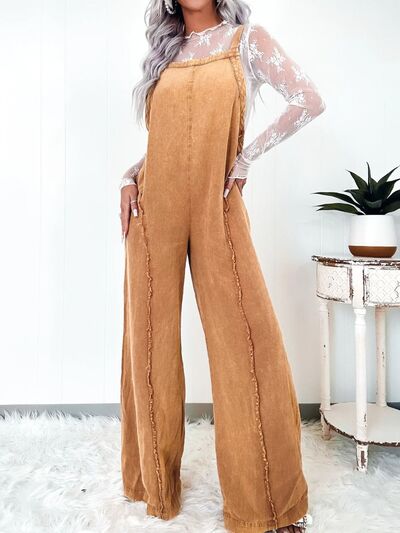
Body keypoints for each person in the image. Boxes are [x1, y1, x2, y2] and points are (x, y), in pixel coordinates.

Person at [119, 1, 326, 532]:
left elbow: (308, 99)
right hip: (153, 204)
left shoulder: (246, 40)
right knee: (149, 342)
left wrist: (246, 157)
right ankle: (154, 488)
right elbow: (164, 143)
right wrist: (128, 177)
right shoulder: (167, 52)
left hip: (218, 201)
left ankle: (268, 504)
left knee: (247, 344)